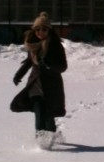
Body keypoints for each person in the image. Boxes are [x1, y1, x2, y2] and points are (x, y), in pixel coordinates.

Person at [10, 12, 68, 142]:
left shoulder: (56, 46)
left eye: (43, 29)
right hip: (35, 84)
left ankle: (52, 136)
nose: (40, 32)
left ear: (49, 31)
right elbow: (29, 62)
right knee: (39, 112)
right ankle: (41, 141)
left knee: (49, 114)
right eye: (37, 29)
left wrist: (50, 65)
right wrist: (18, 75)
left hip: (51, 85)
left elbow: (63, 67)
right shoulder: (33, 45)